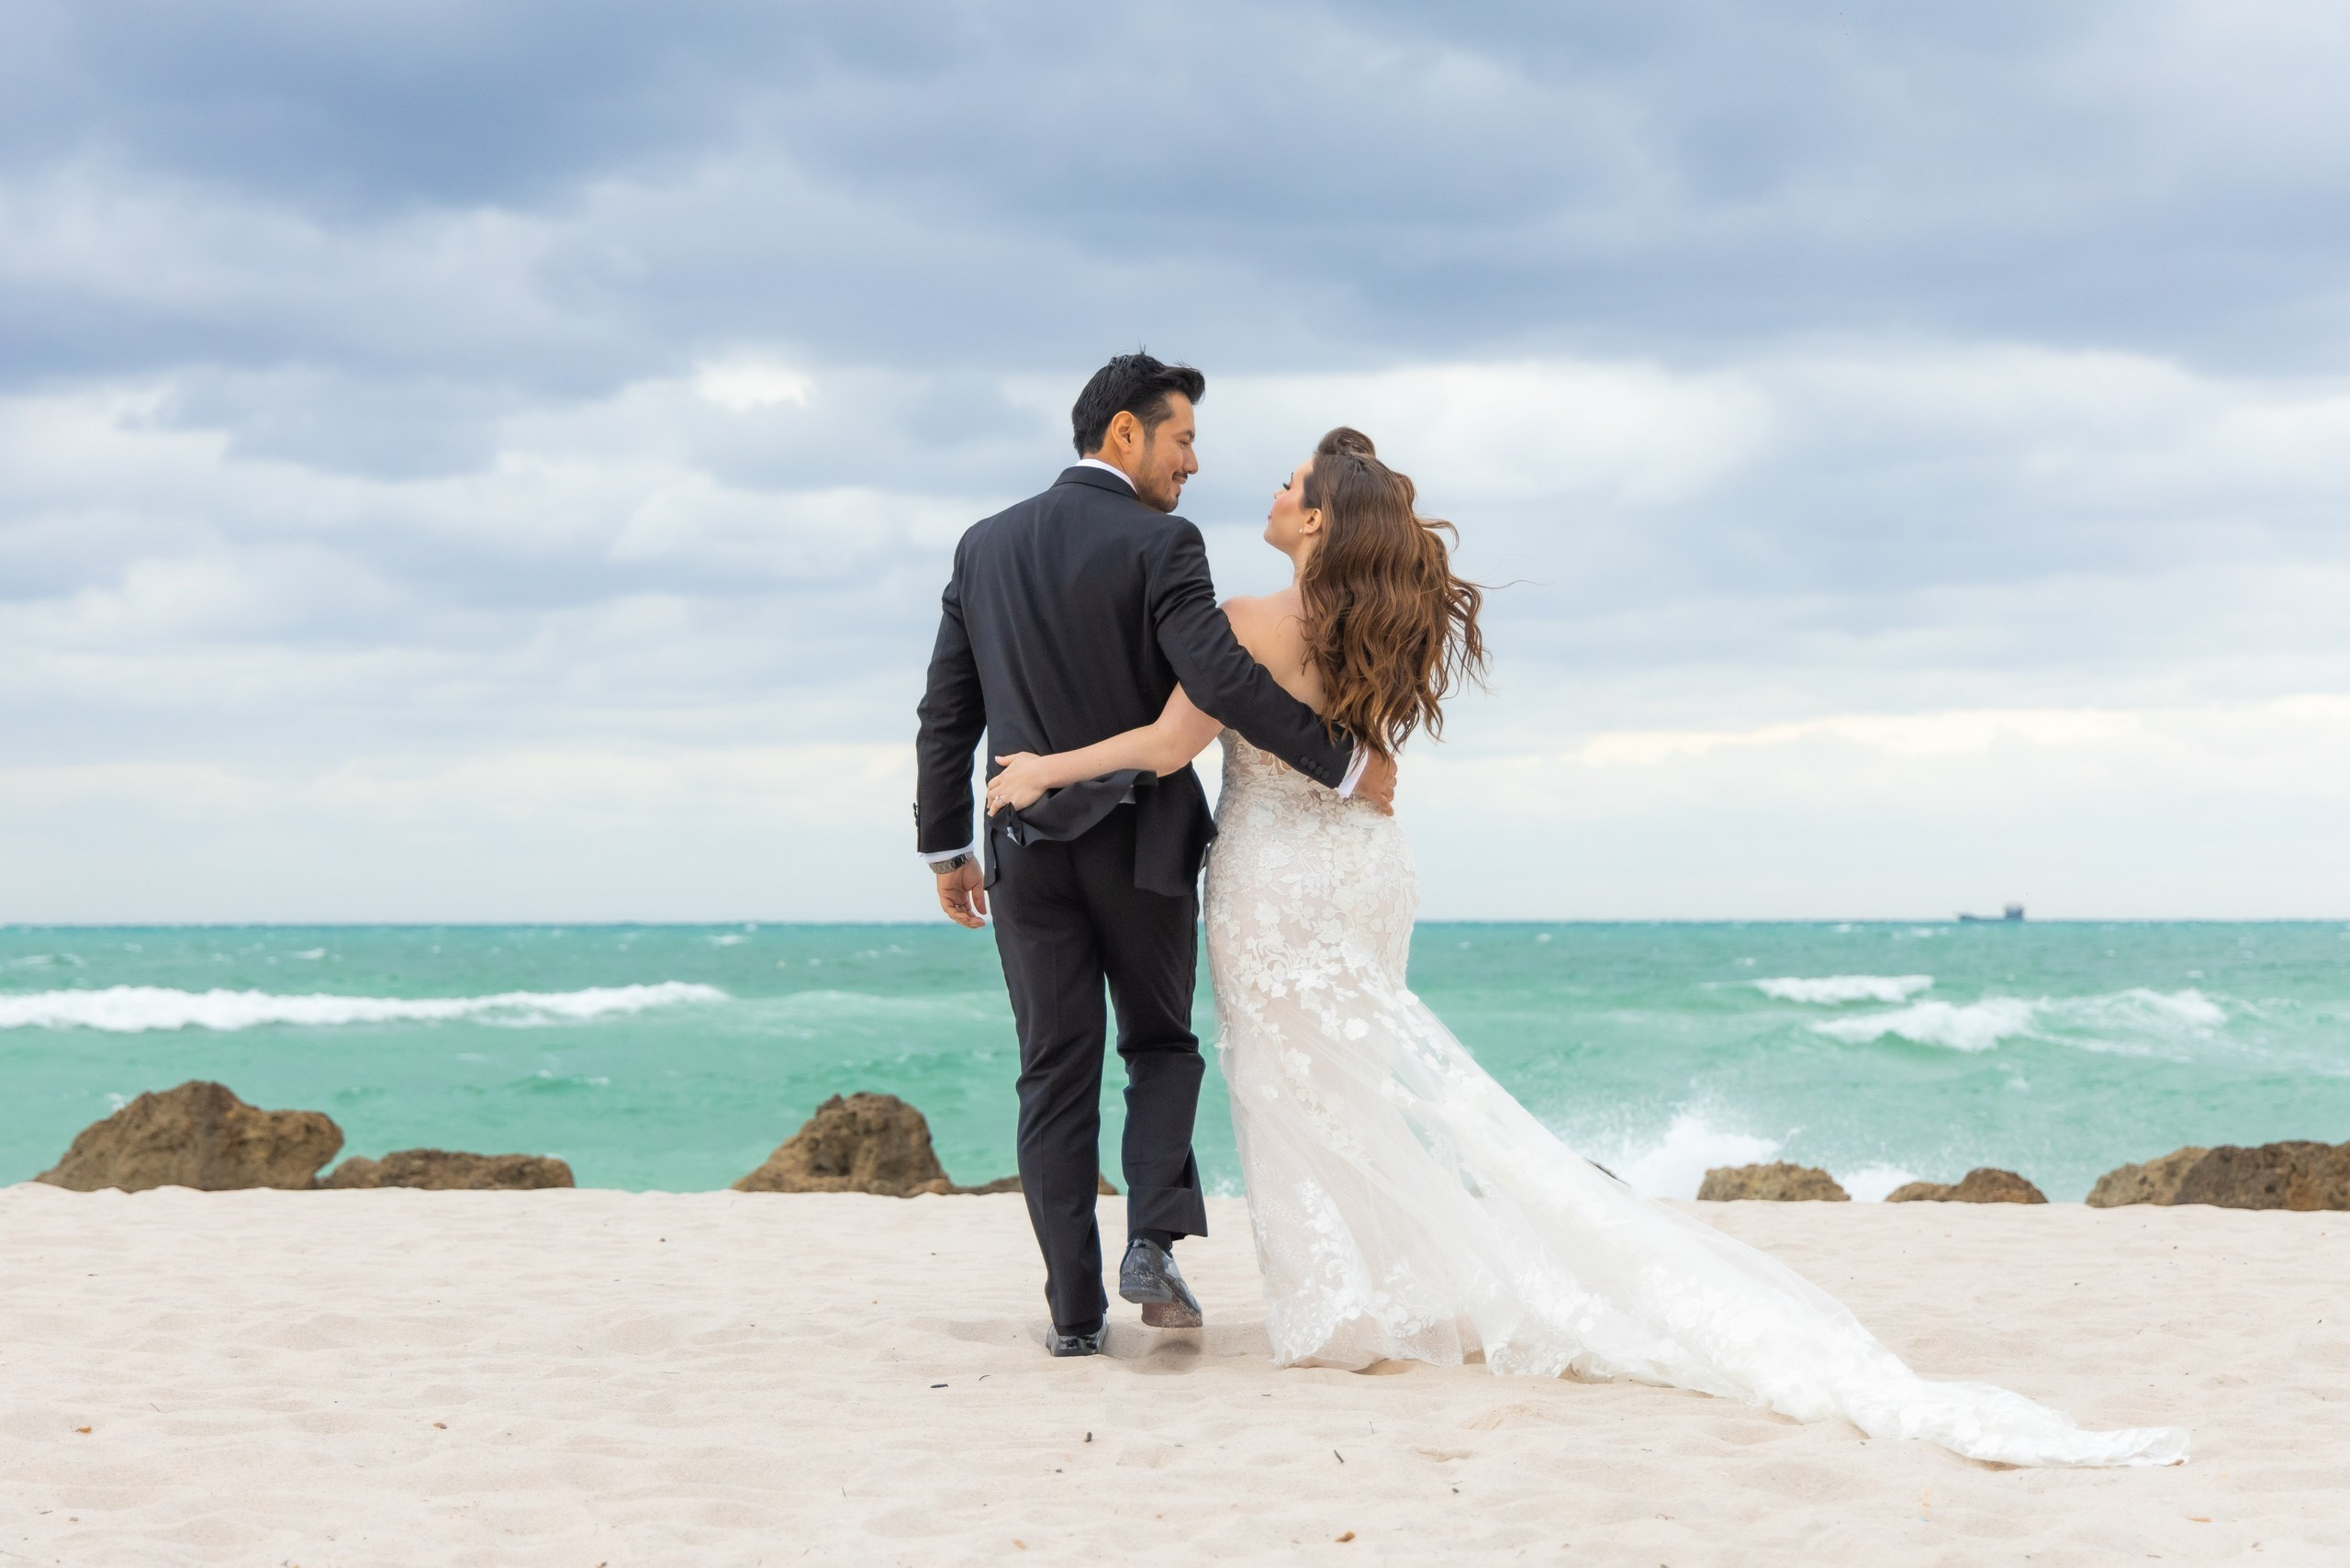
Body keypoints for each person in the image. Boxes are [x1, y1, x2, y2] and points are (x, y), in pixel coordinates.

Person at [983, 427, 2189, 1468]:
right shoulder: (1373, 625)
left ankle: (1338, 1307)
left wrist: (1039, 766)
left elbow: (1159, 745)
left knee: (1293, 1091)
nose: (1270, 490)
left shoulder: (1245, 619)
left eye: (1290, 482)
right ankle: (1370, 1293)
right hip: (1364, 871)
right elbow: (1363, 768)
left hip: (1277, 879)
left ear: (1314, 520)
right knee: (1358, 1087)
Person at [913, 353, 1395, 1358]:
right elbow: (1217, 674)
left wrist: (944, 845)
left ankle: (1073, 1315)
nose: (1191, 465)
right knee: (1160, 1047)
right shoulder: (1162, 543)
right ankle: (1151, 1238)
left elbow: (947, 709)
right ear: (1124, 434)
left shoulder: (983, 545)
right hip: (1143, 843)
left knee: (1052, 1073)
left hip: (1024, 847)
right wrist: (1342, 765)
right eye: (1181, 440)